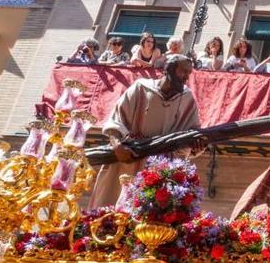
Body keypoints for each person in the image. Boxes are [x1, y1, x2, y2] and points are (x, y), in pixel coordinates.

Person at [89, 55, 207, 209]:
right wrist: (117, 146)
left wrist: (196, 146)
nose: (186, 77)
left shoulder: (187, 98)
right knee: (110, 213)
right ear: (168, 69)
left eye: (189, 73)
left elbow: (192, 134)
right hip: (127, 159)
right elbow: (116, 120)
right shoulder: (141, 88)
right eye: (183, 71)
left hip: (160, 170)